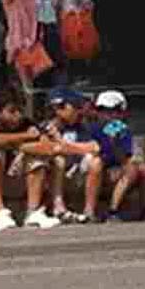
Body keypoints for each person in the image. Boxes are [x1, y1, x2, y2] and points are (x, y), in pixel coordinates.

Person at [0, 80, 54, 229]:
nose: (18, 115)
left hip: (17, 179)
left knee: (36, 158)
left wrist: (21, 148)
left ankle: (33, 212)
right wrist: (25, 137)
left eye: (20, 110)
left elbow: (47, 148)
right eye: (12, 111)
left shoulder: (27, 124)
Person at [37, 90, 105, 223]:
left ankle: (89, 211)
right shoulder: (44, 128)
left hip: (77, 172)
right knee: (58, 159)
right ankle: (58, 206)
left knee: (95, 161)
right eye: (53, 108)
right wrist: (62, 145)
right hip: (53, 174)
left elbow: (95, 148)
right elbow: (47, 149)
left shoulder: (85, 127)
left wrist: (64, 145)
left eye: (62, 107)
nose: (57, 112)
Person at [86, 88, 145, 220]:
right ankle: (89, 211)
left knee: (139, 168)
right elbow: (91, 152)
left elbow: (124, 158)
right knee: (96, 163)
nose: (108, 115)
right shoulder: (92, 129)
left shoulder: (123, 130)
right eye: (103, 110)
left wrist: (114, 142)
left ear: (122, 113)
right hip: (92, 167)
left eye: (114, 110)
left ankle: (115, 210)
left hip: (116, 167)